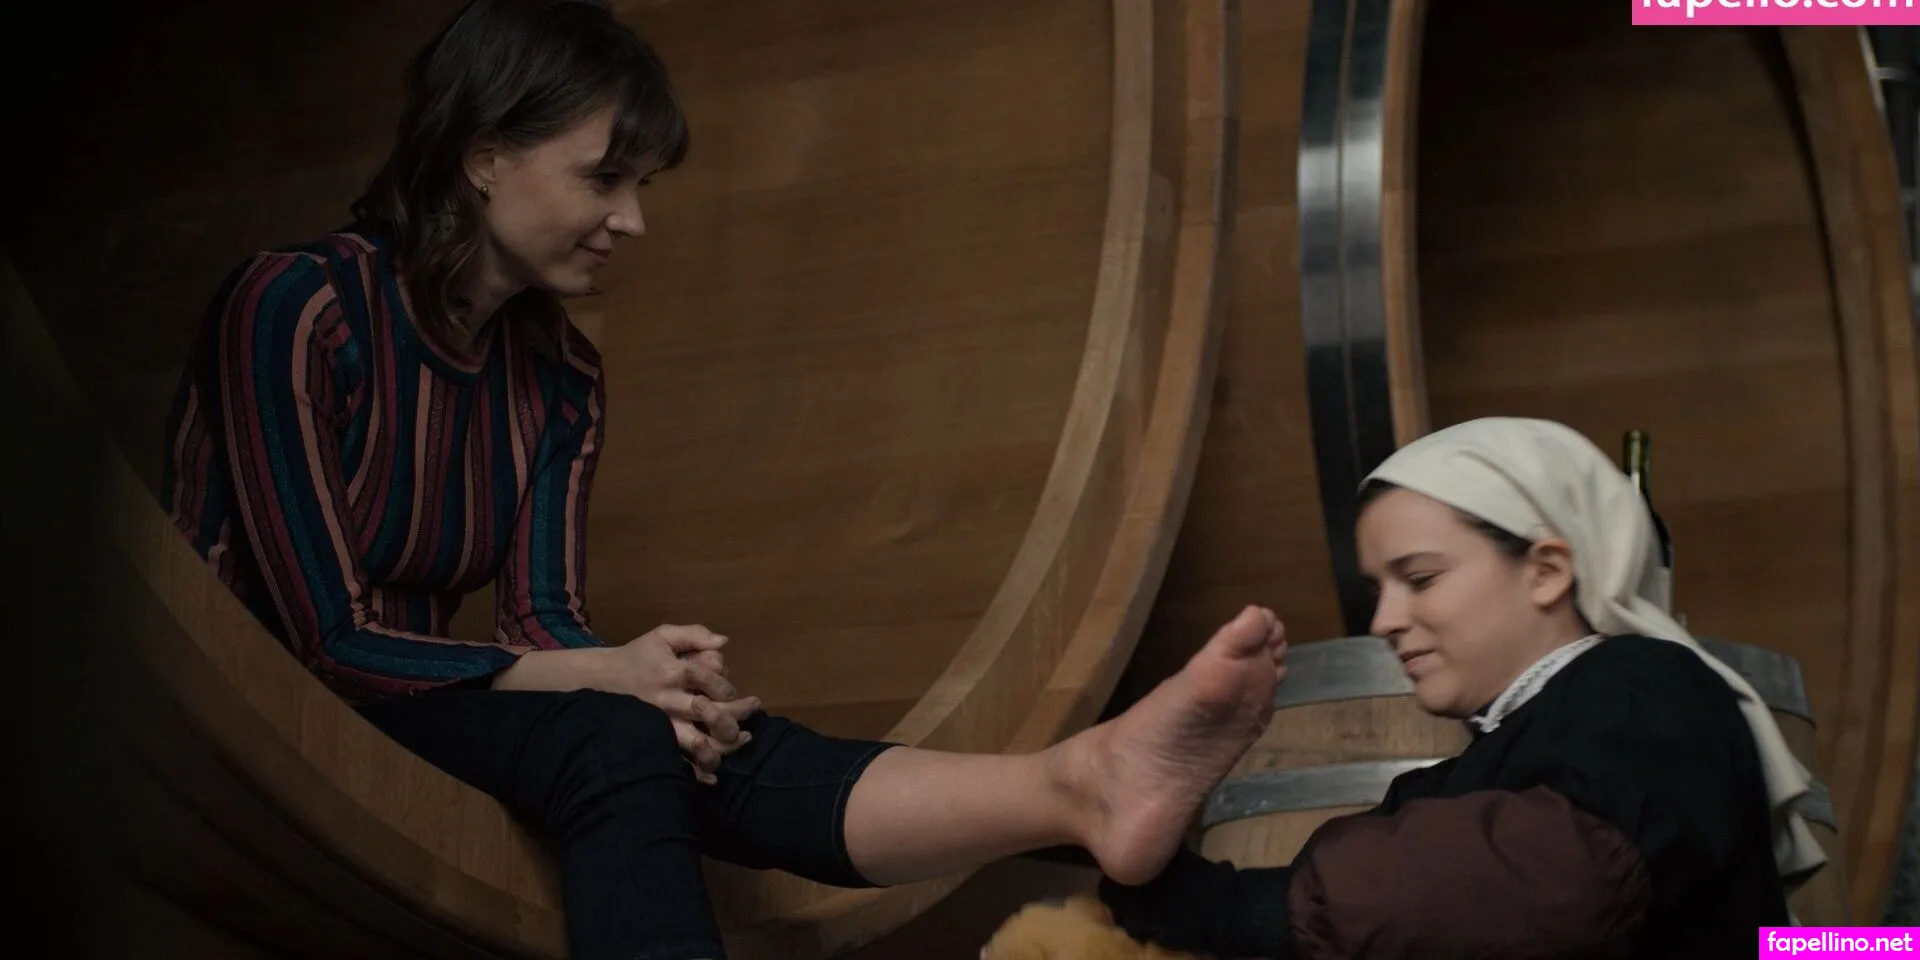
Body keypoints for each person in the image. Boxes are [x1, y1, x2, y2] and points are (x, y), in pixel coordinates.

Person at [156, 2, 1287, 959]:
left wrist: (661, 692)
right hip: (246, 716)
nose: (632, 220)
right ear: (483, 155)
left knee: (692, 737)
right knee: (615, 736)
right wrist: (613, 682)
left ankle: (1078, 785)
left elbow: (542, 623)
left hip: (431, 708)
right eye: (604, 178)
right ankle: (1080, 790)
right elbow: (323, 640)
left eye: (640, 183)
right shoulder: (297, 308)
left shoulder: (558, 375)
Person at [1095, 417, 1826, 959]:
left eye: (1420, 578)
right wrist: (1154, 884)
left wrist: (1226, 910)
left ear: (1545, 571)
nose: (1383, 620)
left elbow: (1544, 879)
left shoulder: (1646, 690)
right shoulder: (1473, 768)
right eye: (1378, 589)